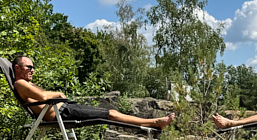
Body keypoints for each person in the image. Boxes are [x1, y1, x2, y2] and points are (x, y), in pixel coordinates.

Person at [12, 55, 175, 130]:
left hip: (65, 110)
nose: (32, 70)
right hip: (63, 113)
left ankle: (153, 123)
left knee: (110, 113)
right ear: (17, 68)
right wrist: (58, 94)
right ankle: (154, 122)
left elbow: (42, 97)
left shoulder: (27, 83)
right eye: (29, 67)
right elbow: (43, 97)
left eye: (33, 67)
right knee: (110, 114)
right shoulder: (20, 83)